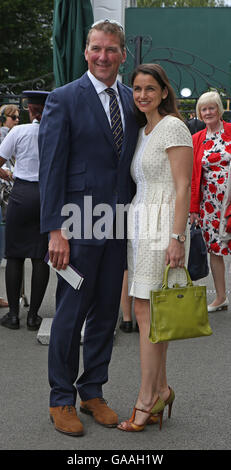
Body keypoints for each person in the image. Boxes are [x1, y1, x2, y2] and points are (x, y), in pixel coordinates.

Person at [38, 19, 139, 437]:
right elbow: (52, 169)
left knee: (104, 315)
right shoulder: (63, 99)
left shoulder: (135, 100)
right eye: (96, 48)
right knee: (69, 314)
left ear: (123, 54)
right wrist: (55, 230)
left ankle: (92, 390)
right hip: (76, 226)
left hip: (116, 225)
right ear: (85, 51)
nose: (103, 56)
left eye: (111, 49)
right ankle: (60, 398)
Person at [117, 63, 193, 432]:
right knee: (151, 315)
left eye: (150, 88)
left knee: (148, 314)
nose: (143, 94)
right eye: (137, 89)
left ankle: (147, 399)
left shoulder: (173, 126)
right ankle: (160, 389)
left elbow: (183, 187)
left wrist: (177, 238)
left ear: (164, 92)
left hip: (164, 228)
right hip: (141, 225)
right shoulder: (144, 130)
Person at [0, 90, 50, 331]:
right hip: (46, 195)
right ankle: (33, 316)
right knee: (40, 256)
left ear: (29, 109)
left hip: (20, 193)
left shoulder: (18, 132)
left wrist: (8, 174)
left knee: (15, 255)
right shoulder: (54, 132)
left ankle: (12, 315)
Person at [190, 91, 231, 312]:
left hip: (229, 202)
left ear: (219, 109)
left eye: (211, 108)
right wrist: (193, 208)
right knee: (216, 251)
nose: (208, 112)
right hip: (210, 205)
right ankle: (221, 297)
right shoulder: (198, 139)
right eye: (203, 109)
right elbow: (194, 176)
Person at [0, 104, 20, 308]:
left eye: (17, 117)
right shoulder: (4, 135)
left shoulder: (14, 134)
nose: (16, 120)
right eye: (12, 117)